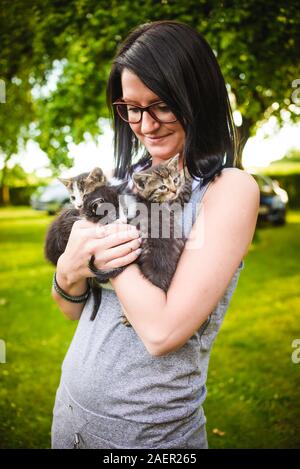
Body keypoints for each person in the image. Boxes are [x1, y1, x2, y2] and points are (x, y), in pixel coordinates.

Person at [51, 20, 259, 449]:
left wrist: (102, 240)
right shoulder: (125, 180)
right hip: (69, 415)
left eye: (161, 105)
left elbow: (161, 332)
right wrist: (69, 270)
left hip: (148, 436)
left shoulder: (228, 190)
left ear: (196, 98)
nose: (144, 125)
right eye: (130, 107)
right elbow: (72, 311)